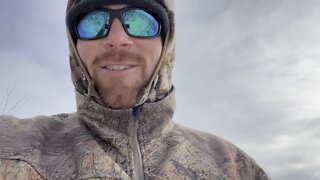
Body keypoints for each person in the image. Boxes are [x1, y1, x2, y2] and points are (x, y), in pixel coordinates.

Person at [0, 0, 270, 179]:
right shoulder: (15, 147)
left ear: (166, 40)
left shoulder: (234, 168)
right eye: (94, 22)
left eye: (139, 20)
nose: (117, 40)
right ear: (74, 43)